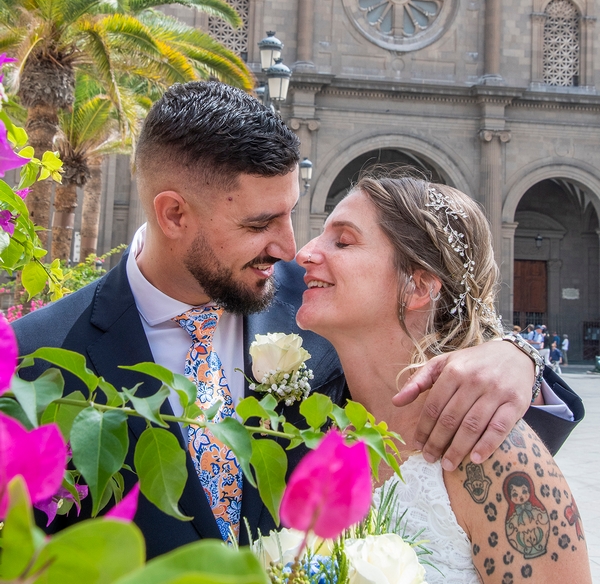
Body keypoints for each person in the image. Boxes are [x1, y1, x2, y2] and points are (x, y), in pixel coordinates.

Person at [12, 83, 583, 558]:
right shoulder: (36, 361)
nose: (290, 247)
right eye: (261, 223)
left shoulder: (316, 305)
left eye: (292, 212)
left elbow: (438, 358)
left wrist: (517, 355)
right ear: (174, 214)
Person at [296, 174, 590, 584]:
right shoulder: (305, 423)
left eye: (343, 241)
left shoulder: (491, 449)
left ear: (417, 286)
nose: (304, 253)